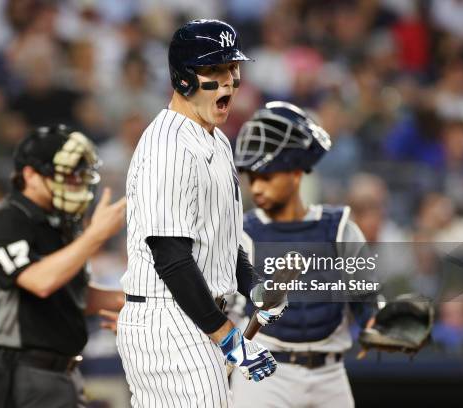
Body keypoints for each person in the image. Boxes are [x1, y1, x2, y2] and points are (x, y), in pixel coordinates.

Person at [118, 19, 282, 408]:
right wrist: (230, 340)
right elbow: (171, 258)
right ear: (184, 78)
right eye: (214, 70)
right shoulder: (168, 148)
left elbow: (223, 239)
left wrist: (254, 288)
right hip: (168, 319)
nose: (228, 81)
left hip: (194, 316)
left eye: (232, 68)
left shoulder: (216, 139)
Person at [0, 125, 126, 408]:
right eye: (66, 174)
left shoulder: (60, 225)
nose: (76, 182)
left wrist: (139, 302)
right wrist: (95, 235)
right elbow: (40, 281)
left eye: (79, 175)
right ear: (30, 175)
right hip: (22, 375)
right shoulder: (2, 220)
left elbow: (76, 294)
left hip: (65, 374)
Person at [232, 101, 378, 408]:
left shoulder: (339, 228)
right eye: (252, 177)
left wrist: (376, 323)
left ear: (296, 173)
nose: (256, 187)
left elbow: (366, 300)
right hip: (265, 374)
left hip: (330, 374)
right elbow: (223, 308)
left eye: (266, 176)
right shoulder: (242, 233)